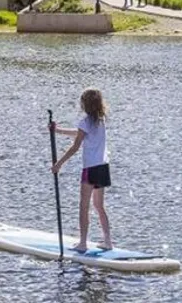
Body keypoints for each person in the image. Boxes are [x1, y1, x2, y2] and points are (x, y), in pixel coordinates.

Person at [51, 88, 113, 253]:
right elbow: (81, 134)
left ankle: (83, 243)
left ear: (85, 104)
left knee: (83, 206)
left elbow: (76, 146)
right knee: (99, 206)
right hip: (103, 167)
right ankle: (108, 241)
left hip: (90, 168)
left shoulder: (86, 122)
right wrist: (58, 130)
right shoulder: (101, 120)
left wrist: (59, 164)